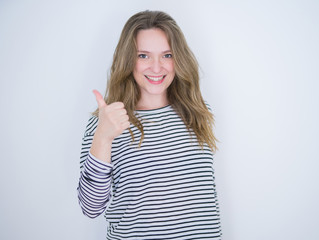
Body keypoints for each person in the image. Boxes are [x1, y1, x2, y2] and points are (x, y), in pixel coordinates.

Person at [77, 10, 222, 239]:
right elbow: (90, 207)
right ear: (128, 60)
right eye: (143, 56)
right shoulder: (106, 122)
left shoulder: (197, 113)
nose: (157, 67)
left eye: (167, 55)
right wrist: (103, 138)